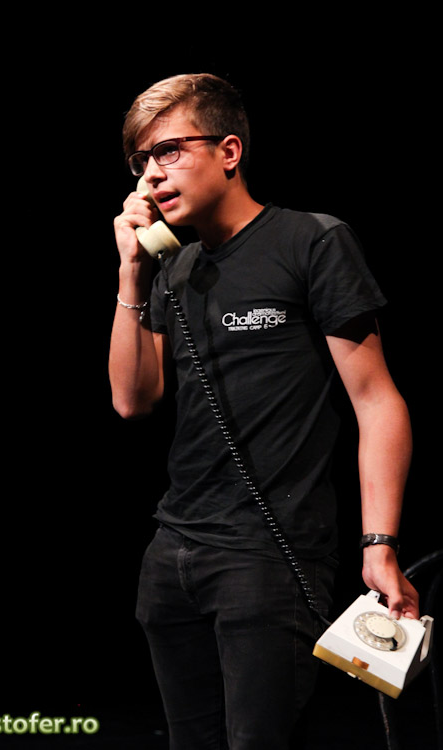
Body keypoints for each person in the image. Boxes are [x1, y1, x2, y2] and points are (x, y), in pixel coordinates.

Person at [109, 73, 419, 750]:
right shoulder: (175, 269)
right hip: (173, 554)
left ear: (229, 151)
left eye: (168, 151)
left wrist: (380, 544)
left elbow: (377, 401)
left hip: (268, 558)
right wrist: (133, 270)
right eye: (140, 161)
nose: (151, 174)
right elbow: (132, 400)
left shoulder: (312, 241)